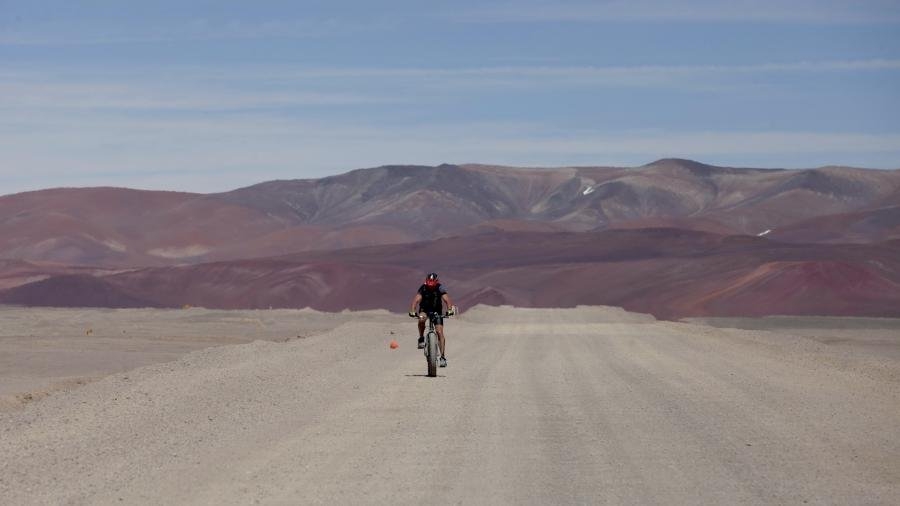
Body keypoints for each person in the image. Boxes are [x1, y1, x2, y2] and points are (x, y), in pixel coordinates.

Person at [408, 272, 456, 367]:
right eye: (429, 281)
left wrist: (450, 309)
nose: (430, 284)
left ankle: (442, 357)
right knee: (421, 319)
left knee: (439, 332)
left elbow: (447, 300)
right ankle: (421, 338)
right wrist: (412, 310)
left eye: (432, 282)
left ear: (436, 281)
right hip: (424, 310)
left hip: (437, 311)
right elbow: (416, 300)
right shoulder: (423, 288)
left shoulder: (440, 288)